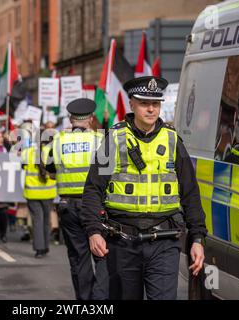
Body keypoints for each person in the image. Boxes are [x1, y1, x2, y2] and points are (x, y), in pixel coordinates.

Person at [81, 76, 207, 300]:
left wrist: (197, 238)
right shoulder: (115, 139)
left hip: (164, 243)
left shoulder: (172, 141)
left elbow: (190, 194)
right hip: (122, 242)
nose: (151, 109)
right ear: (131, 104)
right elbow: (93, 189)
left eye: (156, 104)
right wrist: (93, 231)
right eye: (144, 103)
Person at [45, 98, 108, 300]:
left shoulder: (57, 141)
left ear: (71, 119)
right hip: (97, 206)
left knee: (79, 258)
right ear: (90, 119)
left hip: (68, 206)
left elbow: (50, 171)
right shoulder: (101, 140)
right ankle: (101, 300)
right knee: (103, 255)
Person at [22, 136, 57, 258]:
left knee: (37, 220)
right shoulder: (52, 151)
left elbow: (22, 166)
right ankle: (46, 247)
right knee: (47, 221)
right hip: (48, 192)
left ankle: (39, 249)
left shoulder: (28, 152)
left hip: (32, 192)